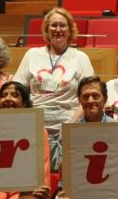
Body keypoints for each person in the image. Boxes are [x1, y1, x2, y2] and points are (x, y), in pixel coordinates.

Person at [13, 7, 95, 140]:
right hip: (35, 125)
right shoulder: (32, 55)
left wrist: (72, 124)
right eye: (53, 25)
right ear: (47, 30)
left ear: (70, 30)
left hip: (68, 123)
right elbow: (17, 90)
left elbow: (89, 96)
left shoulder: (81, 58)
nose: (58, 30)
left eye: (62, 25)